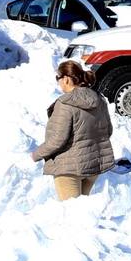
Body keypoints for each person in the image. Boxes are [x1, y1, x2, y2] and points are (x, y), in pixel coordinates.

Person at [31, 60, 114, 200]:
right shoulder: (98, 99)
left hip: (69, 169)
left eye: (58, 78)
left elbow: (57, 140)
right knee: (81, 213)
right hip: (93, 168)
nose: (58, 82)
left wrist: (35, 155)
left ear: (67, 79)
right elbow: (108, 131)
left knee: (72, 216)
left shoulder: (65, 103)